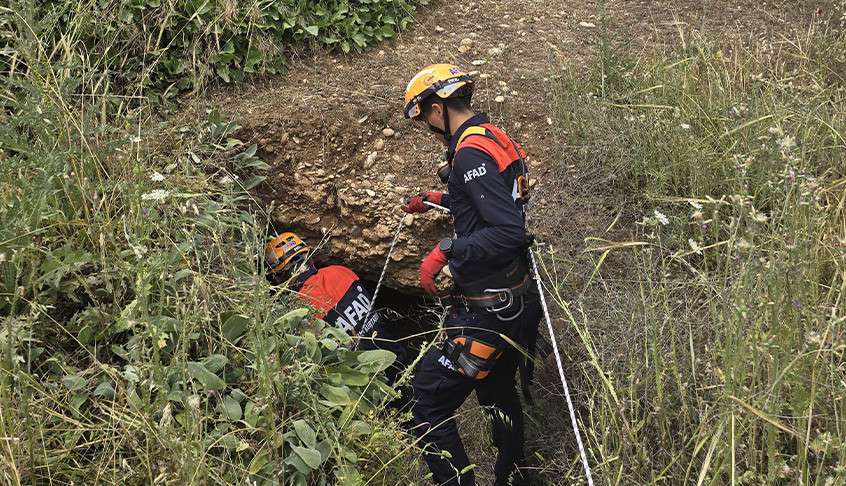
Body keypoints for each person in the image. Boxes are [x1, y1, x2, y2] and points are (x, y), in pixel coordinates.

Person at [400, 64, 543, 486]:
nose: (426, 124)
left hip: (488, 309)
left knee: (425, 403)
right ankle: (514, 475)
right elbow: (493, 201)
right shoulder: (491, 136)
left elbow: (509, 230)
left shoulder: (469, 153)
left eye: (424, 114)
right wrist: (440, 200)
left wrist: (447, 248)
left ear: (438, 106)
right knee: (498, 392)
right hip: (513, 299)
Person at [265, 232, 407, 386]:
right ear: (309, 257)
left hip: (370, 382)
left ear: (281, 276)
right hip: (398, 357)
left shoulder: (299, 307)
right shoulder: (341, 271)